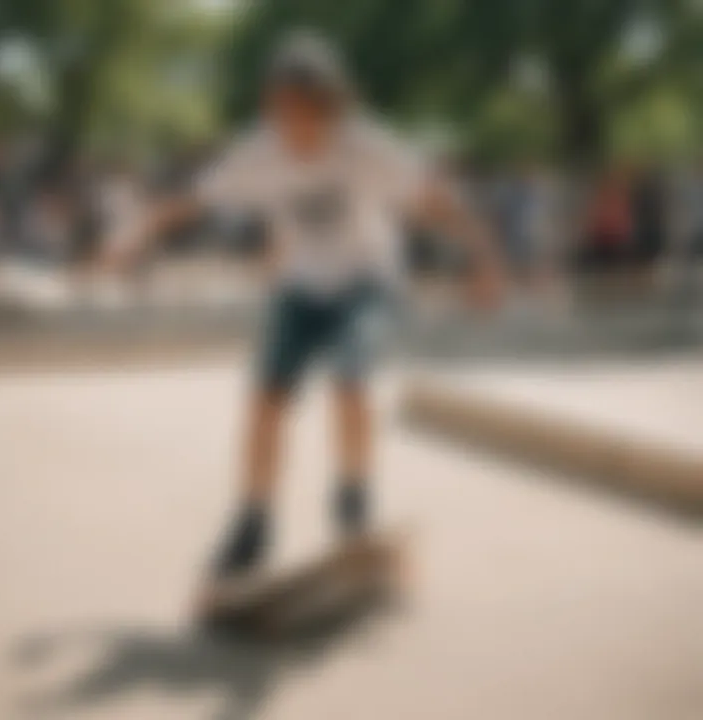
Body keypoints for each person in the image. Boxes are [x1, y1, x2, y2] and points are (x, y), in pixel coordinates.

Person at [103, 31, 505, 585]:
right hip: (301, 284)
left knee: (350, 382)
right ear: (272, 108)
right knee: (266, 399)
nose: (296, 131)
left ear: (331, 107)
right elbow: (194, 200)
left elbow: (433, 198)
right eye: (284, 114)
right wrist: (137, 232)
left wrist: (483, 257)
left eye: (307, 115)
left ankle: (353, 497)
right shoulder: (259, 150)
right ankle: (253, 520)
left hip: (365, 281)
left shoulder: (366, 145)